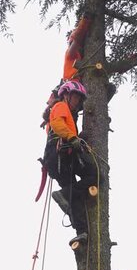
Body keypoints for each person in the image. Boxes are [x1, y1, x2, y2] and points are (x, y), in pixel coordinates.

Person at [42, 80, 97, 245]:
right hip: (58, 155)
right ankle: (64, 195)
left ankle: (82, 232)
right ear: (66, 94)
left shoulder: (70, 115)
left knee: (74, 196)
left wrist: (79, 139)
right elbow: (58, 124)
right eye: (76, 97)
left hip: (63, 156)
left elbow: (66, 130)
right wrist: (73, 138)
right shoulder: (60, 106)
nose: (78, 101)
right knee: (93, 174)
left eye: (80, 99)